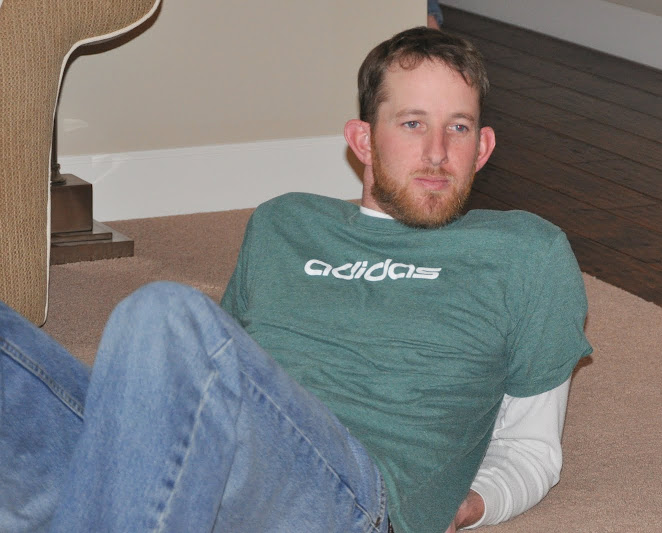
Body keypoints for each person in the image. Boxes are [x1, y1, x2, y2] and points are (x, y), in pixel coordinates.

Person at [0, 27, 591, 533]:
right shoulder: (284, 222)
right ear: (362, 140)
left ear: (482, 147)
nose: (437, 152)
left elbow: (531, 447)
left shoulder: (525, 253)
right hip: (223, 465)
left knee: (162, 316)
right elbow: (200, 389)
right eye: (413, 123)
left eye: (458, 128)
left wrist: (472, 505)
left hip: (354, 495)